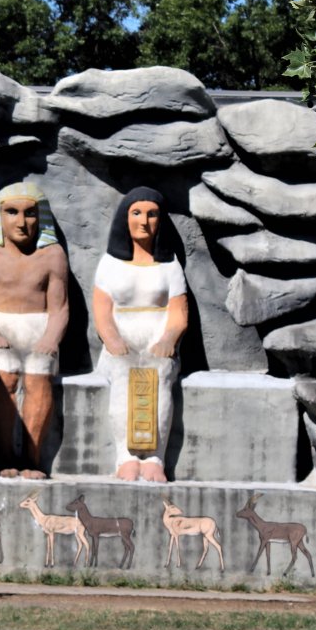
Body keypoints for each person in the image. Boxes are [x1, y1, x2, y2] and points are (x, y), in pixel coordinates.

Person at [0, 181, 70, 478]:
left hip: (40, 331)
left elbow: (60, 308)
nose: (21, 222)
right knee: (5, 377)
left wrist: (51, 338)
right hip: (0, 329)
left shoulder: (52, 255)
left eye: (30, 213)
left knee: (39, 379)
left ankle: (32, 459)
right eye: (12, 212)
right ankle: (4, 458)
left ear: (41, 217)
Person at [92, 187, 188, 482]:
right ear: (125, 217)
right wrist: (113, 340)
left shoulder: (170, 265)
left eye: (152, 214)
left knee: (161, 376)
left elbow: (179, 314)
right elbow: (102, 312)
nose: (144, 222)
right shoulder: (110, 264)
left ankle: (155, 458)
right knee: (123, 375)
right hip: (121, 344)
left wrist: (168, 339)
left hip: (158, 344)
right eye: (136, 213)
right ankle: (126, 456)